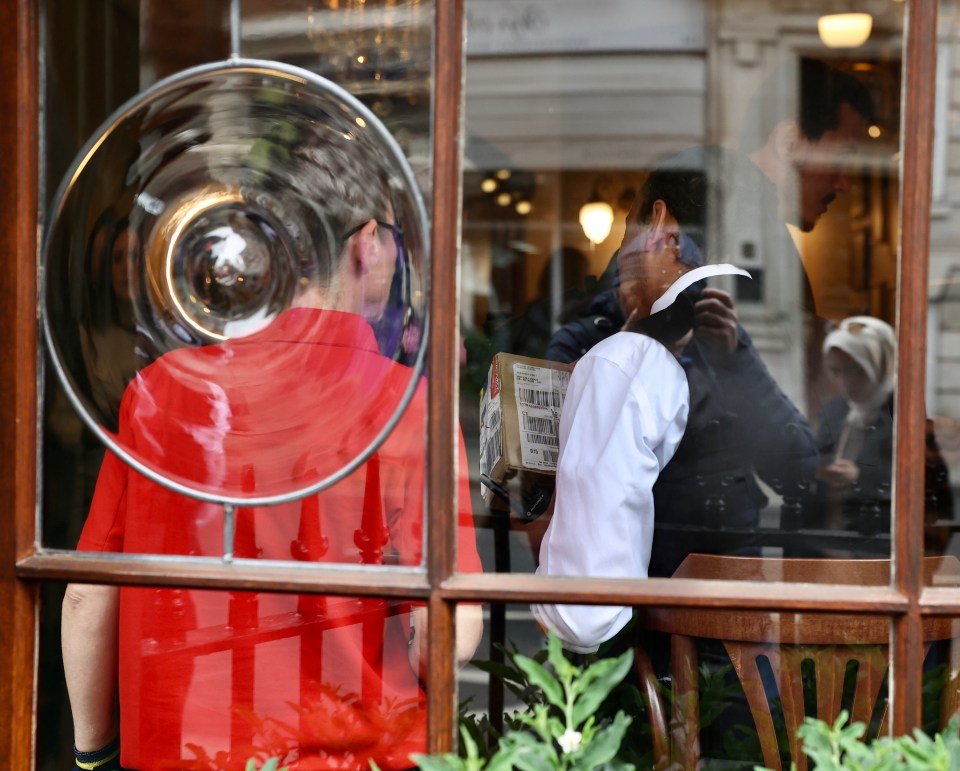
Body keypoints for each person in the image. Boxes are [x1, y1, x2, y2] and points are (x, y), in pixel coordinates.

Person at [61, 129, 483, 770]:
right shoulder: (408, 404)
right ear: (367, 242)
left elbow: (88, 594)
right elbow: (446, 639)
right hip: (359, 755)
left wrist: (93, 755)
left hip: (184, 752)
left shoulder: (159, 390)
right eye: (394, 237)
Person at [532, 171, 753, 651]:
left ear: (658, 227)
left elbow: (583, 615)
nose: (618, 254)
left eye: (626, 231)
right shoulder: (729, 353)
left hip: (661, 662)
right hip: (747, 647)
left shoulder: (622, 363)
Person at [804, 316, 952, 552]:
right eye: (836, 371)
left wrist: (860, 477)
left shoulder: (906, 414)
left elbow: (925, 485)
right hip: (829, 546)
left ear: (882, 363)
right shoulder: (835, 410)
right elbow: (819, 455)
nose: (846, 382)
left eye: (857, 371)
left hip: (882, 550)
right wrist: (821, 468)